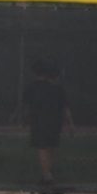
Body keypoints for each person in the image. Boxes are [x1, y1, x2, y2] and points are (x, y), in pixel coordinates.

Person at [23, 57, 73, 186]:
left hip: (39, 122)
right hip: (55, 122)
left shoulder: (33, 88)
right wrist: (70, 124)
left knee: (42, 148)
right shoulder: (57, 89)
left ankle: (47, 176)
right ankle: (47, 173)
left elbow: (27, 106)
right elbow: (65, 108)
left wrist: (25, 119)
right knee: (50, 148)